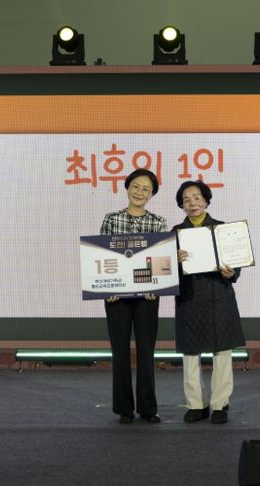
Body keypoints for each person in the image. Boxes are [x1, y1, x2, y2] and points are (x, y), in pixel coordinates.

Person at [173, 180, 246, 424]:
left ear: (206, 200)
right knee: (190, 354)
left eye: (197, 197)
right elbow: (164, 270)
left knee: (222, 352)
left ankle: (220, 405)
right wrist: (174, 261)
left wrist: (232, 272)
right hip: (189, 298)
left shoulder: (223, 229)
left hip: (218, 296)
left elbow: (235, 261)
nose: (192, 203)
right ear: (181, 205)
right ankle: (196, 404)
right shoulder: (175, 233)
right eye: (186, 199)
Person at [100, 168, 167, 424]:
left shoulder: (158, 222)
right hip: (116, 296)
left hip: (147, 296)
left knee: (146, 352)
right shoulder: (111, 219)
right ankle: (124, 409)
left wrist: (155, 286)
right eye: (136, 186)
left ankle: (148, 408)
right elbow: (102, 257)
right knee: (120, 351)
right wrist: (108, 289)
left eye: (146, 189)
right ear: (127, 188)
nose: (140, 192)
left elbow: (160, 260)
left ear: (152, 194)